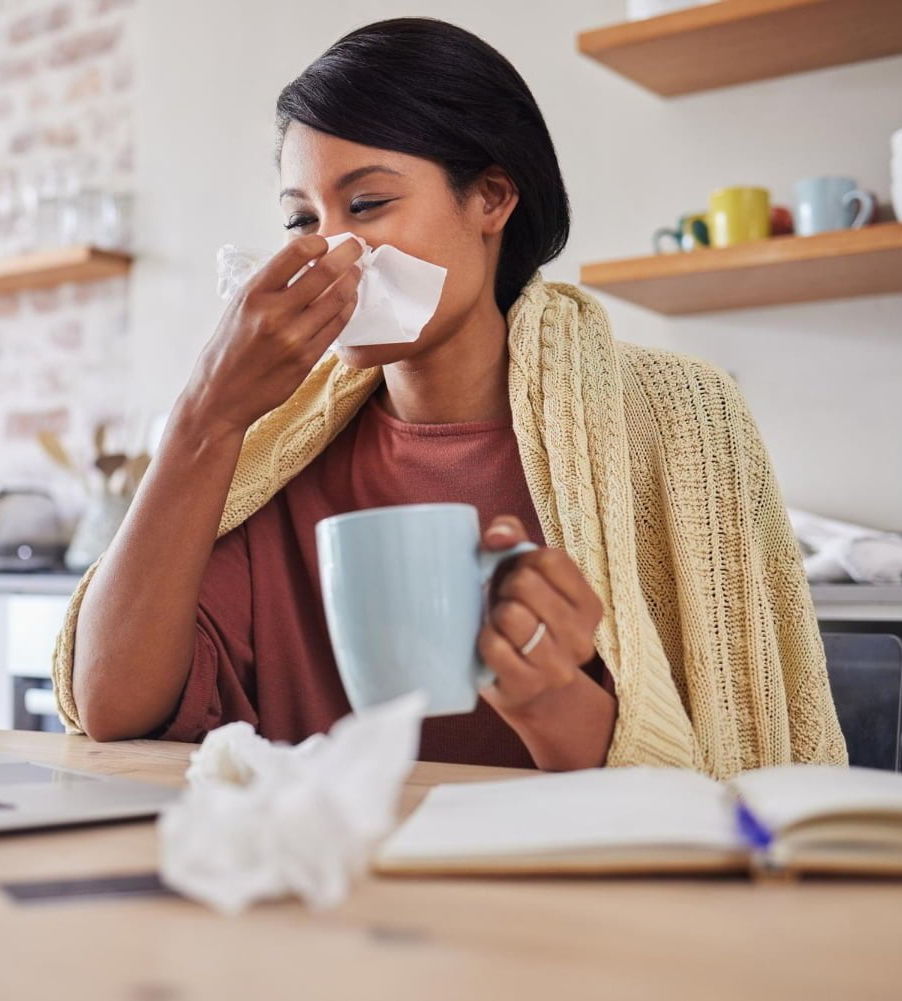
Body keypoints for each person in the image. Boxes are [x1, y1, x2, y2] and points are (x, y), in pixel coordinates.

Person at [54, 17, 846, 778]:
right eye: (301, 219)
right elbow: (115, 706)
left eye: (367, 204)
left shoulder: (680, 418)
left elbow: (737, 776)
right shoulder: (269, 458)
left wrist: (545, 696)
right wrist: (208, 412)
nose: (332, 250)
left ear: (492, 198)